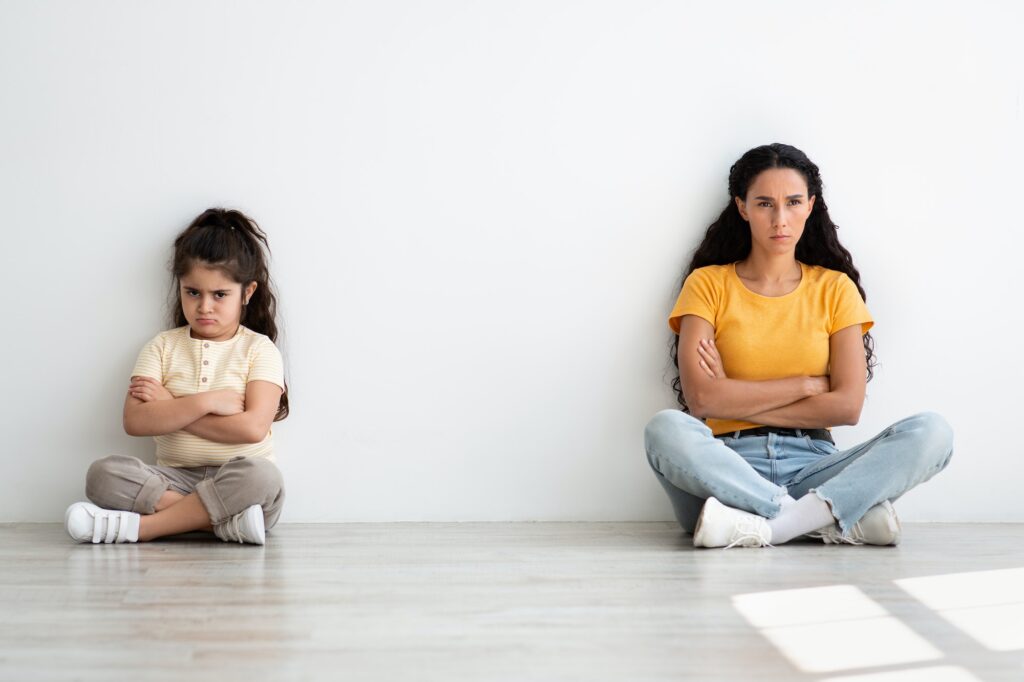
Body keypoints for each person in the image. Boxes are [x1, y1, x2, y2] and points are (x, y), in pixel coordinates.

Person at [644, 143, 953, 549]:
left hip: (815, 466)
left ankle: (769, 526)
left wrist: (733, 397)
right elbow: (702, 400)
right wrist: (806, 385)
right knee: (665, 429)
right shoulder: (707, 284)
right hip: (726, 470)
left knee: (933, 432)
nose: (779, 219)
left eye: (792, 202)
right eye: (764, 204)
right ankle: (824, 517)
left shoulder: (835, 289)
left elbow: (847, 407)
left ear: (810, 205)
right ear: (742, 207)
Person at [64, 208, 288, 545]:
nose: (205, 307)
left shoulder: (259, 349)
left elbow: (252, 428)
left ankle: (141, 529)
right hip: (173, 480)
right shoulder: (162, 347)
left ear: (247, 292)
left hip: (239, 480)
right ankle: (225, 525)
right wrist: (207, 402)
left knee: (264, 477)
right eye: (193, 292)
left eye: (220, 295)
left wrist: (172, 409)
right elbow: (135, 421)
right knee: (102, 474)